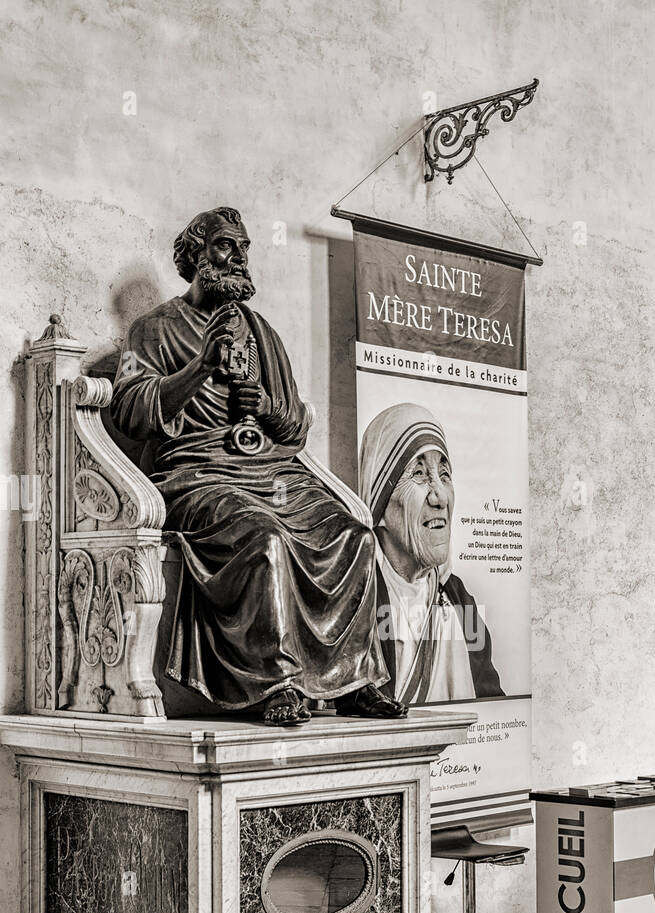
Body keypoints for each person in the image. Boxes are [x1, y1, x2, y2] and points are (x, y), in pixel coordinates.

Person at [110, 207, 406, 726]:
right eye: (226, 245)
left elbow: (293, 427)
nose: (239, 256)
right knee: (264, 538)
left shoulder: (261, 333)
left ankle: (354, 681)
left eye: (245, 247)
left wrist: (265, 405)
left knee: (355, 533)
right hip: (195, 474)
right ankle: (273, 685)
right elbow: (132, 412)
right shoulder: (153, 330)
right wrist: (200, 367)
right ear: (196, 256)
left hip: (271, 470)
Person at [359, 402, 503, 704]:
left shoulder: (458, 598)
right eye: (420, 474)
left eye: (444, 475)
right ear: (379, 501)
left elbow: (491, 704)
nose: (439, 497)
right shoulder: (356, 600)